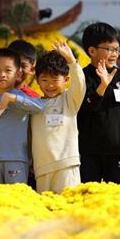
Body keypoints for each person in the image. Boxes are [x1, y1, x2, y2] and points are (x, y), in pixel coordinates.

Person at [77, 22, 120, 185]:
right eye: (109, 49)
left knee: (118, 196)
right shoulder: (83, 76)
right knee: (88, 195)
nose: (114, 54)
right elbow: (87, 107)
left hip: (117, 149)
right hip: (89, 151)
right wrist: (103, 84)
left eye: (117, 49)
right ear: (92, 51)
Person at [31, 41, 86, 193]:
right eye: (44, 80)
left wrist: (72, 62)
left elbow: (80, 84)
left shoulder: (69, 100)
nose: (50, 85)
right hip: (42, 168)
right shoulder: (33, 105)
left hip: (66, 165)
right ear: (37, 80)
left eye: (55, 80)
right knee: (46, 210)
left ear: (66, 80)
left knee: (68, 206)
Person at [0, 48, 43, 185]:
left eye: (8, 70)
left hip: (16, 160)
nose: (2, 74)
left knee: (15, 201)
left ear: (18, 74)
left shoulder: (21, 97)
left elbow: (41, 107)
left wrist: (14, 98)